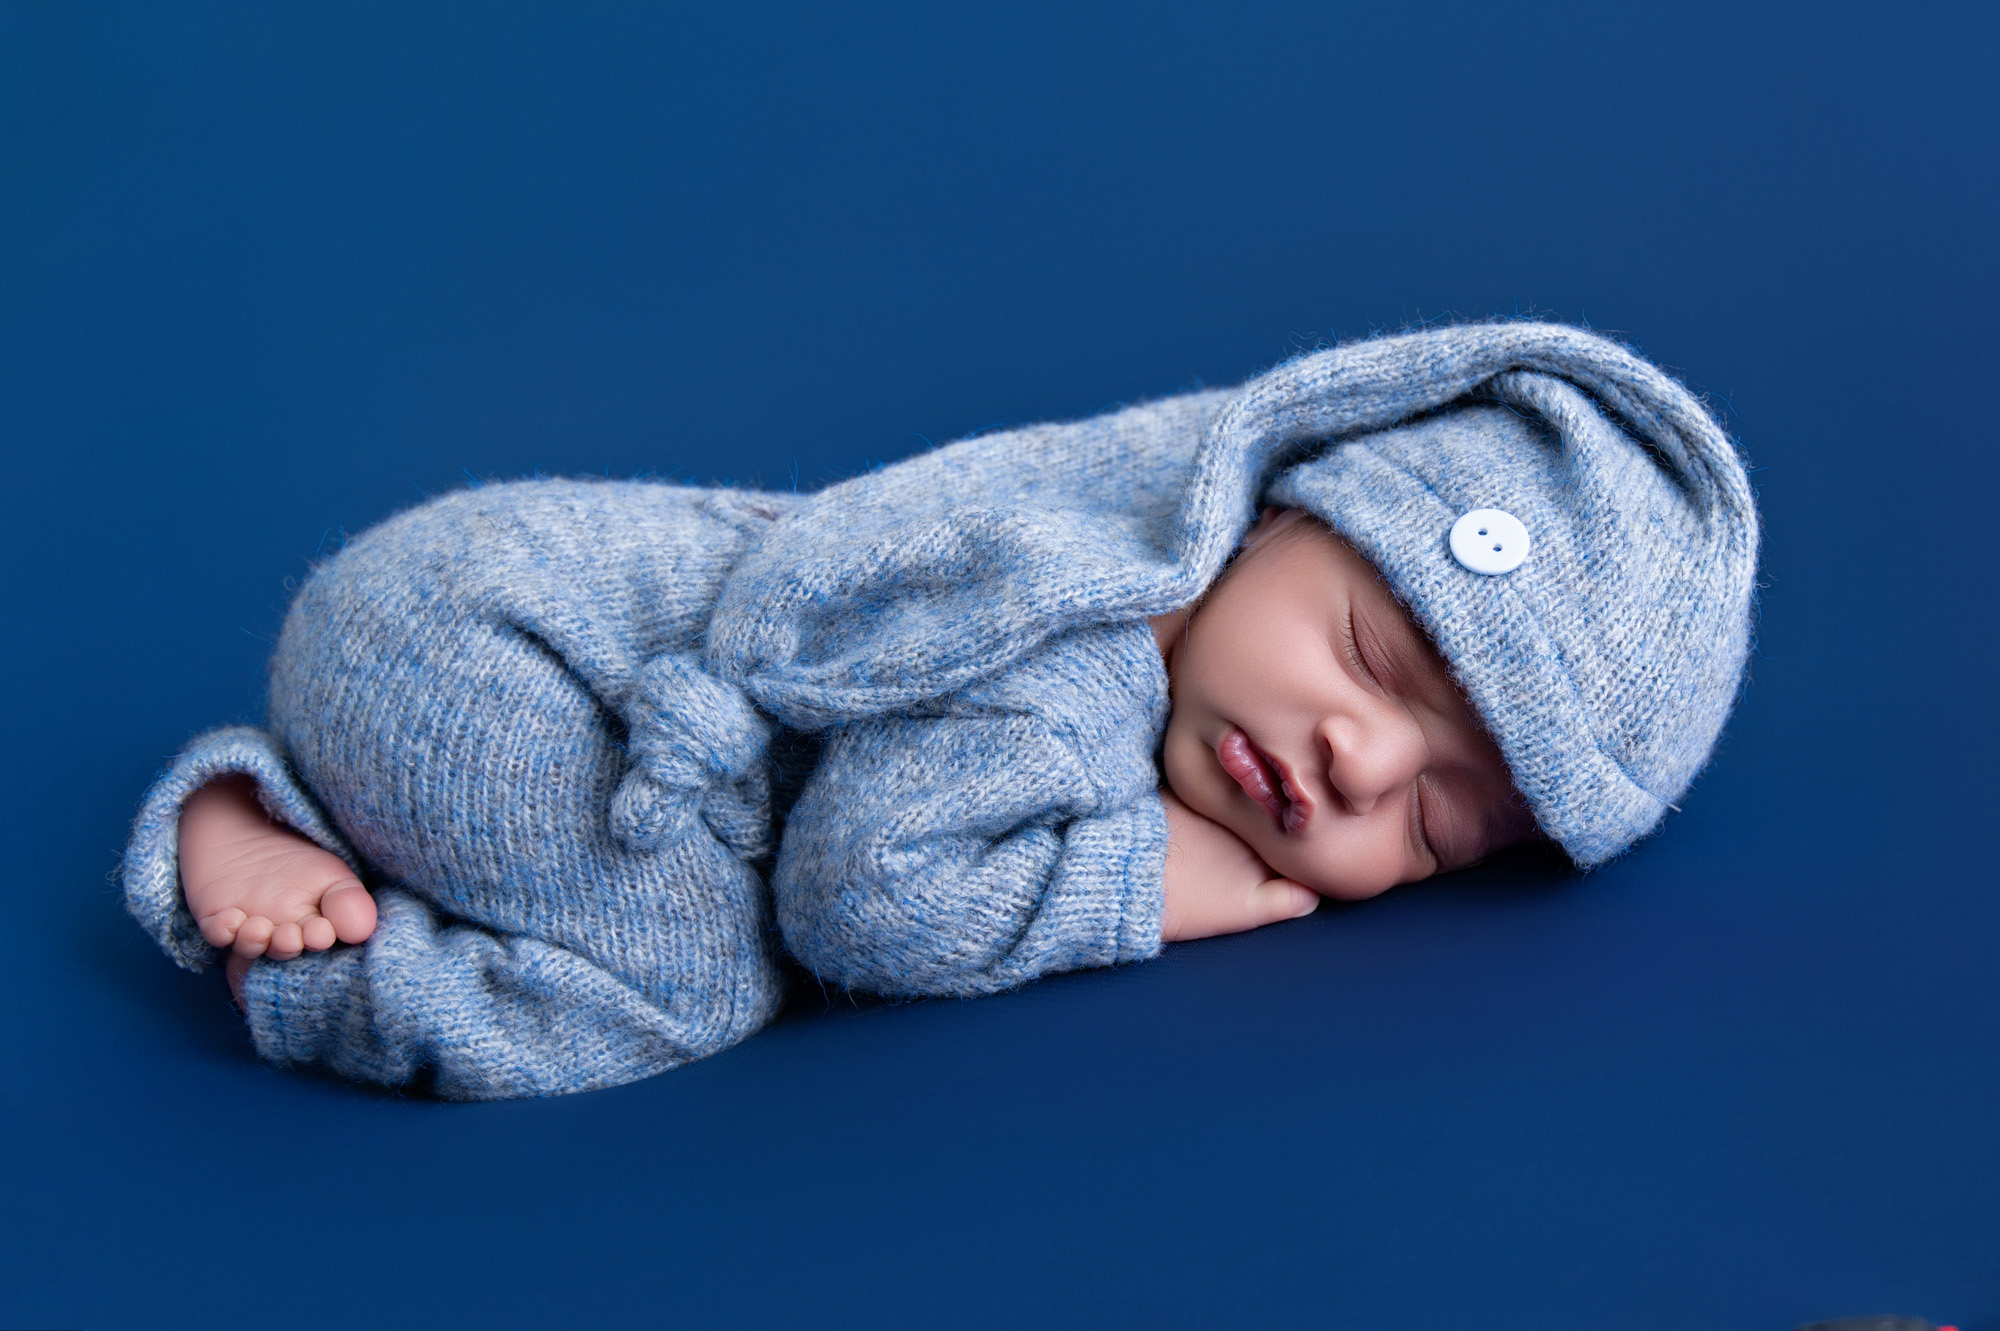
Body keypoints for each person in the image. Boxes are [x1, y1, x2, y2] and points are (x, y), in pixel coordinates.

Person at [122, 321, 1758, 1099]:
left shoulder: (1081, 553)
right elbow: (860, 902)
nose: (1357, 759)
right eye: (1373, 658)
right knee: (690, 981)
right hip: (489, 655)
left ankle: (315, 802)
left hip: (453, 590)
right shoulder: (1069, 659)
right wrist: (1135, 886)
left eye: (1436, 822)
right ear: (1267, 516)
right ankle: (280, 903)